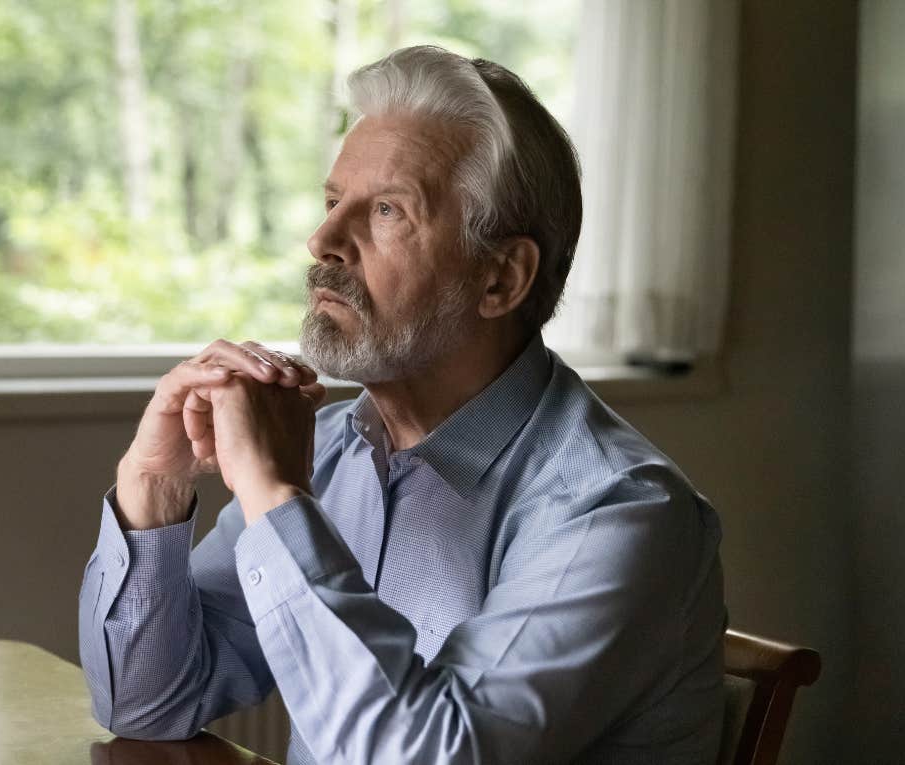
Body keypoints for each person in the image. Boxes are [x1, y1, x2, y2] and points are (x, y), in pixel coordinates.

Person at [78, 45, 724, 764]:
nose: (322, 241)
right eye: (333, 204)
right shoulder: (327, 449)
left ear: (501, 278)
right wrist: (153, 486)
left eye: (387, 210)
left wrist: (274, 498)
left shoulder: (618, 511)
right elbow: (147, 703)